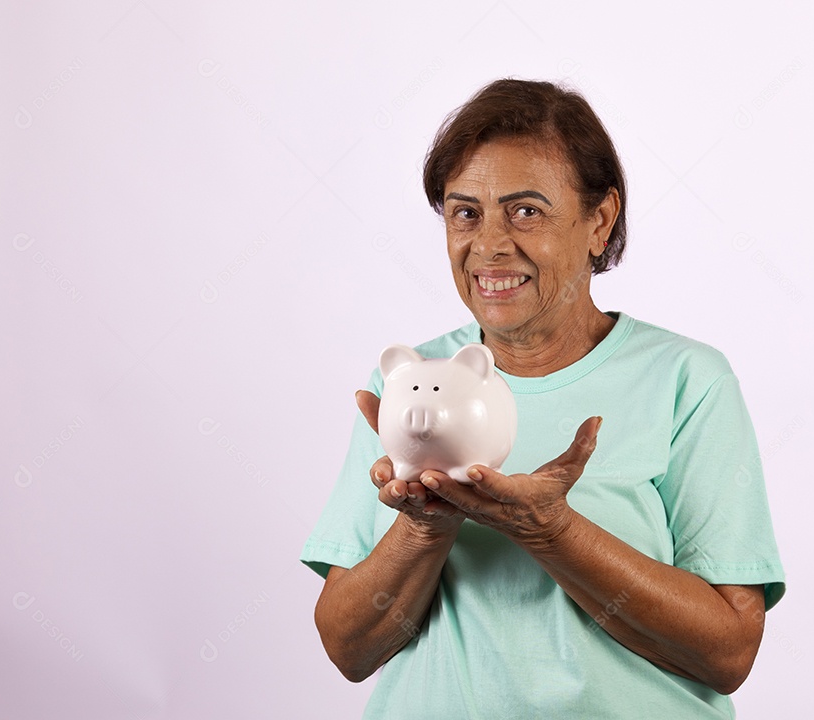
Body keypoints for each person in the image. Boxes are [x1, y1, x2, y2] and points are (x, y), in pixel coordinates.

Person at [300, 78, 786, 718]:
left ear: (599, 220)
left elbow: (728, 653)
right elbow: (348, 649)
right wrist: (426, 524)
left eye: (526, 210)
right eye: (464, 212)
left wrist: (551, 530)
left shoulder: (686, 380)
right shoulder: (411, 383)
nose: (490, 244)